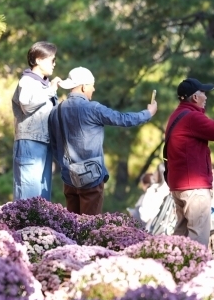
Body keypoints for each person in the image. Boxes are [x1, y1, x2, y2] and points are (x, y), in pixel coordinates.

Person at [48, 67, 156, 215]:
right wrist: (148, 113)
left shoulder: (56, 111)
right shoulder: (93, 108)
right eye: (92, 85)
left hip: (69, 178)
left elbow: (54, 145)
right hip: (91, 178)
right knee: (90, 225)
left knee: (71, 224)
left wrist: (65, 166)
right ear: (83, 86)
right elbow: (123, 119)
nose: (93, 89)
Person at [164, 77, 214, 246]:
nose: (206, 96)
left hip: (180, 186)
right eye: (203, 93)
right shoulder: (192, 118)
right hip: (195, 189)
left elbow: (213, 129)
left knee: (180, 237)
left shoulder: (179, 115)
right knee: (198, 238)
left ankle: (170, 261)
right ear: (195, 97)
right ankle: (196, 263)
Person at [11, 41, 61, 201]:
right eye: (52, 59)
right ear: (38, 60)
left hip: (45, 143)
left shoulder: (44, 85)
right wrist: (50, 90)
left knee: (42, 199)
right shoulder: (27, 81)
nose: (54, 64)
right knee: (28, 197)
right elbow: (27, 105)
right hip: (30, 143)